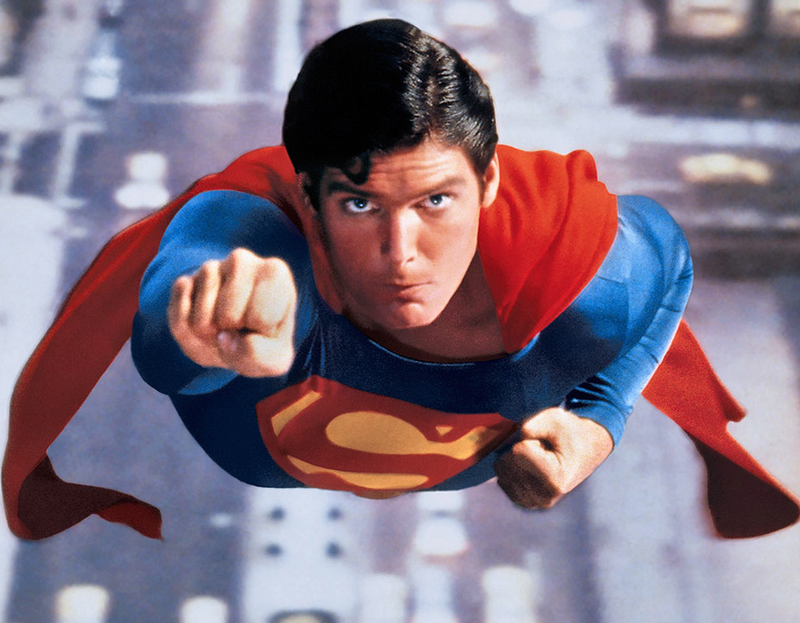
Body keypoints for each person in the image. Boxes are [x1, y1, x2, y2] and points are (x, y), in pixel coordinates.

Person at [4, 19, 798, 541]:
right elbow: (168, 330)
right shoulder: (254, 230)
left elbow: (668, 262)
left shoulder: (585, 269)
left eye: (435, 202)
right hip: (258, 442)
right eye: (360, 203)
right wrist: (207, 320)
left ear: (488, 184)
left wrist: (600, 418)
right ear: (308, 197)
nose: (400, 252)